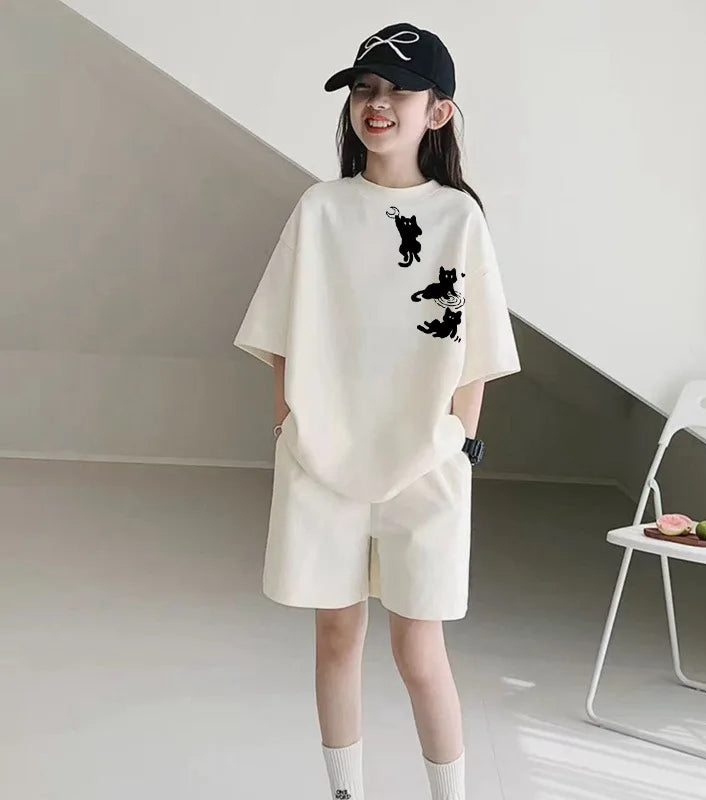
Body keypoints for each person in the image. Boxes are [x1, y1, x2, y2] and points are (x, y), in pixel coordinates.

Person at [234, 21, 520, 800]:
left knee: (419, 652)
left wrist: (459, 441)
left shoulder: (458, 219)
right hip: (321, 460)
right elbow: (283, 328)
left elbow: (478, 352)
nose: (377, 103)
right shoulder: (320, 209)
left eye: (399, 90)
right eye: (364, 88)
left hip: (426, 464)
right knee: (335, 638)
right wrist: (288, 426)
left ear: (439, 111)